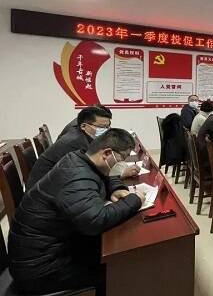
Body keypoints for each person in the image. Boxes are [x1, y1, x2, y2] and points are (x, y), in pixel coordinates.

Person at [8, 129, 146, 295]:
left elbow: (105, 176)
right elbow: (94, 222)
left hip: (53, 248)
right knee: (118, 271)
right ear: (107, 153)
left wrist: (116, 188)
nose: (123, 164)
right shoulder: (76, 175)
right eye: (122, 158)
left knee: (113, 252)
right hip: (40, 269)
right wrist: (134, 200)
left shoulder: (80, 159)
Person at [27, 106, 139, 190]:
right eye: (102, 127)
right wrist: (121, 174)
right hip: (45, 193)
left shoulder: (82, 131)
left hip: (51, 185)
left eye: (108, 127)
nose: (106, 131)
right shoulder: (75, 143)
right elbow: (89, 177)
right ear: (84, 126)